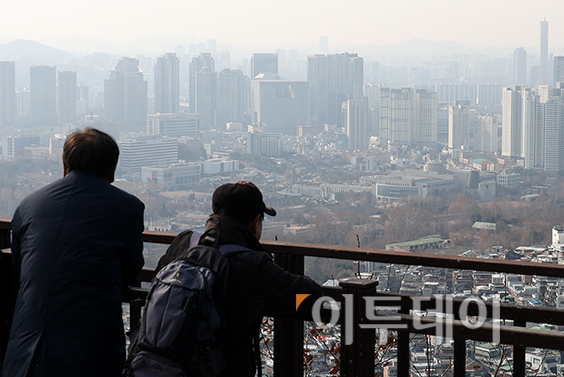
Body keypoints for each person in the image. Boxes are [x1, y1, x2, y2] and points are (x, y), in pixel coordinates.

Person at [2, 128, 144, 377]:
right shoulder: (127, 208)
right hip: (90, 351)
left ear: (64, 166)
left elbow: (19, 268)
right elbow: (130, 270)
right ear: (112, 170)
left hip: (26, 350)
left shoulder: (29, 205)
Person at [155, 181, 324, 377]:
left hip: (161, 366)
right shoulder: (255, 267)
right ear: (255, 222)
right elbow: (312, 296)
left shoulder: (184, 242)